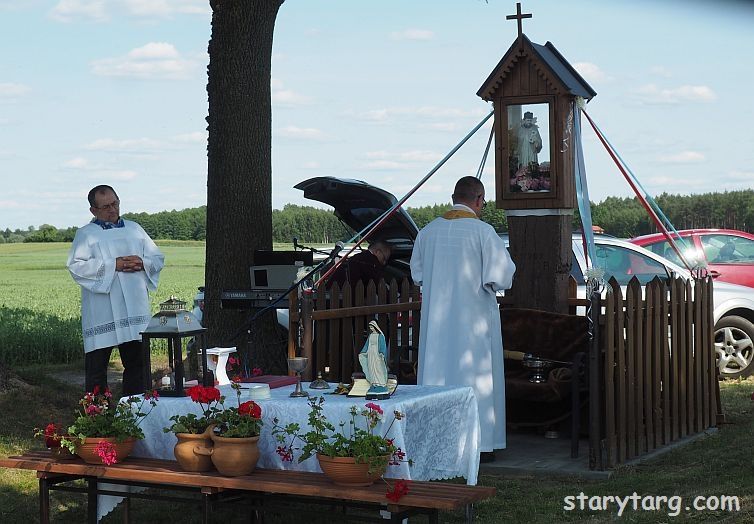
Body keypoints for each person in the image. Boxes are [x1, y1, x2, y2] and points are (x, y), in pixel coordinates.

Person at [410, 176, 516, 462]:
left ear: (453, 197)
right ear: (480, 200)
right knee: (476, 380)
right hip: (474, 324)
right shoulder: (483, 233)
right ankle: (479, 444)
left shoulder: (427, 233)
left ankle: (437, 442)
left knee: (437, 377)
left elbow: (417, 275)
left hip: (437, 326)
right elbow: (502, 276)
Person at [67, 185, 164, 395]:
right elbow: (76, 267)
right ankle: (96, 418)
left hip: (134, 308)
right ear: (93, 210)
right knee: (97, 368)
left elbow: (157, 258)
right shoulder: (86, 234)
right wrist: (114, 265)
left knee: (137, 365)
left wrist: (142, 262)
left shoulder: (135, 229)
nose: (112, 210)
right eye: (105, 207)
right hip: (103, 311)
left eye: (115, 204)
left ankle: (135, 412)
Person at [328, 240, 392, 289]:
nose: (384, 263)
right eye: (384, 259)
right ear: (378, 252)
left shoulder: (357, 257)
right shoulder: (371, 263)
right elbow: (380, 286)